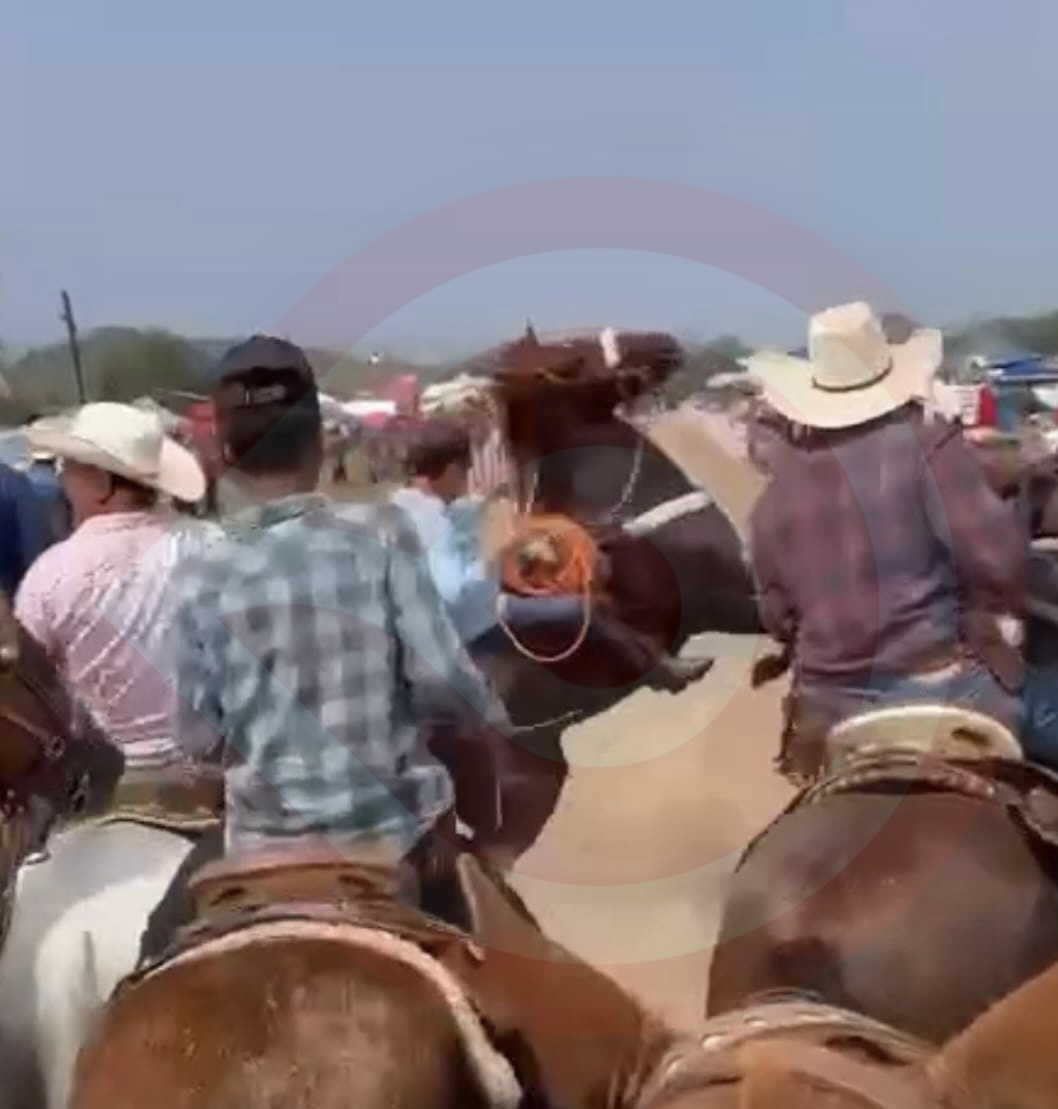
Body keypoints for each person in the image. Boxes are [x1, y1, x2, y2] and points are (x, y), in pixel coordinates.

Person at [143, 336, 513, 958]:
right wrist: (487, 719)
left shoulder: (198, 569)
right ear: (320, 443)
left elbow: (197, 741)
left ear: (226, 451)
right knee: (527, 989)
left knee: (148, 961)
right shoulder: (382, 531)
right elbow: (443, 687)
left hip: (259, 850)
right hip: (397, 841)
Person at [747, 301, 1027, 780]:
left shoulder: (778, 491)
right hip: (942, 682)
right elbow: (999, 563)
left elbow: (776, 617)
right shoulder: (930, 445)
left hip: (825, 701)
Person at [393, 418, 712, 692]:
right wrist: (496, 552)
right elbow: (456, 593)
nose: (468, 477)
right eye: (466, 469)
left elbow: (483, 519)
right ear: (450, 469)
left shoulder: (414, 505)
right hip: (469, 623)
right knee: (580, 608)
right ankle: (659, 671)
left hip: (447, 613)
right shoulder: (431, 524)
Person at [15, 402, 215, 777]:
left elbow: (30, 686)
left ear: (101, 484)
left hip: (112, 778)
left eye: (70, 468)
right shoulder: (212, 545)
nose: (63, 478)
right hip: (216, 765)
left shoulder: (53, 574)